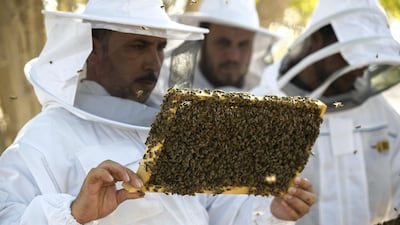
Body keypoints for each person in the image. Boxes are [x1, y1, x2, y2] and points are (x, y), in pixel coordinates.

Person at [0, 0, 316, 224]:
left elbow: (218, 213)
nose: (153, 61)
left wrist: (273, 212)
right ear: (93, 50)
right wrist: (72, 212)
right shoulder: (47, 135)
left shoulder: (182, 129)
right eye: (137, 46)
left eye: (159, 47)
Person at [252, 0, 400, 224]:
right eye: (349, 56)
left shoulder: (380, 112)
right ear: (317, 39)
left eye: (366, 57)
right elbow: (240, 210)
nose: (360, 69)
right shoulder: (262, 110)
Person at [153, 0, 279, 97]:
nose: (233, 56)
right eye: (223, 43)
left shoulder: (267, 89)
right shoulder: (164, 87)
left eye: (243, 44)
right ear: (202, 41)